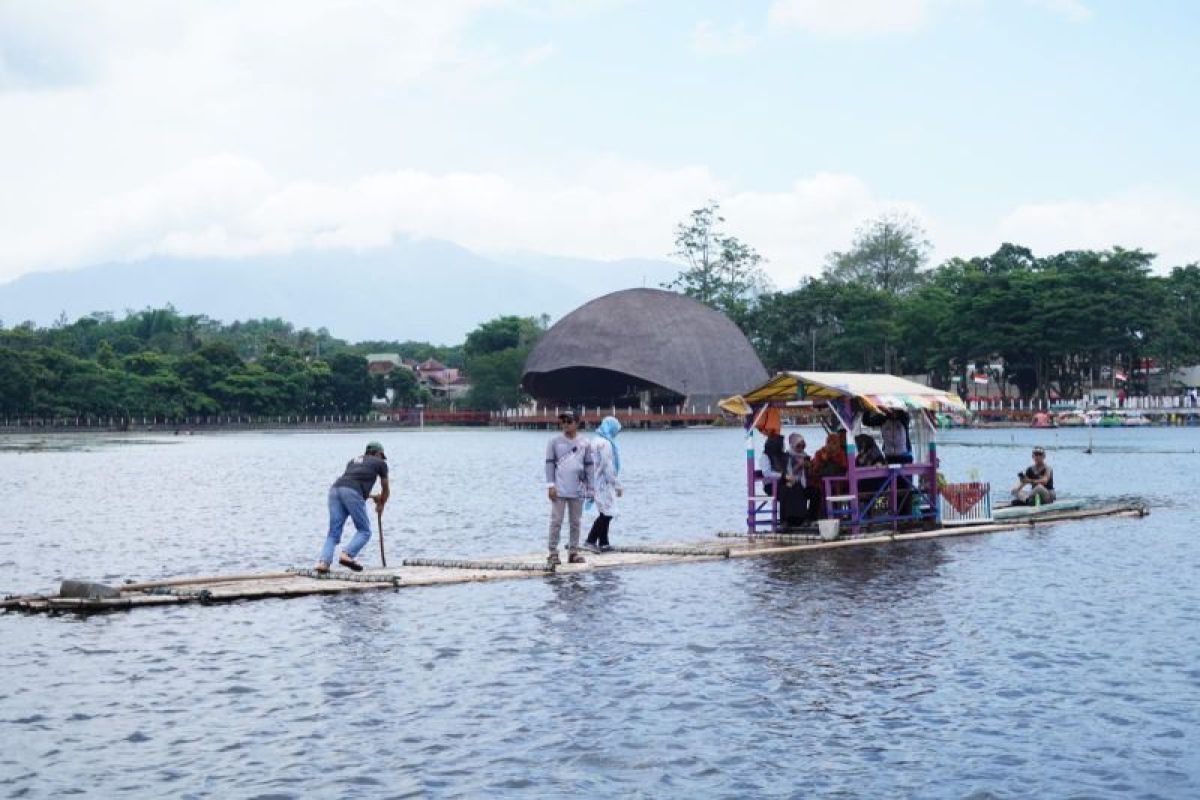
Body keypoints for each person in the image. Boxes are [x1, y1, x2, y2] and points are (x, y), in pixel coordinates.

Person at [316, 441, 389, 573]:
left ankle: (323, 562)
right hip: (351, 492)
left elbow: (352, 485)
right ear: (378, 453)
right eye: (381, 456)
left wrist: (374, 498)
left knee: (333, 532)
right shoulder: (381, 464)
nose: (382, 459)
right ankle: (347, 555)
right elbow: (386, 489)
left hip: (335, 490)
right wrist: (382, 504)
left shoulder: (353, 461)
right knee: (365, 531)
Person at [545, 410, 593, 566]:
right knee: (556, 521)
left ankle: (573, 552)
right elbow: (549, 464)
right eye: (563, 421)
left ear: (577, 423)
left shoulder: (585, 443)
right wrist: (550, 485)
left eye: (569, 421)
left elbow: (589, 466)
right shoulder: (554, 442)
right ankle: (553, 552)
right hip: (559, 489)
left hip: (578, 488)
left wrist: (591, 487)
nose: (565, 424)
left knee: (575, 522)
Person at [584, 416, 623, 553]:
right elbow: (607, 466)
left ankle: (604, 542)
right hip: (603, 483)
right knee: (608, 513)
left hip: (593, 481)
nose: (617, 433)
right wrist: (617, 485)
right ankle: (590, 540)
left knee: (604, 511)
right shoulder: (606, 444)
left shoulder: (594, 441)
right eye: (616, 430)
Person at [784, 432, 819, 526]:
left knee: (816, 491)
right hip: (792, 483)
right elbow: (788, 473)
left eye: (803, 446)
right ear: (793, 445)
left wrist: (810, 467)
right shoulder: (788, 456)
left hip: (804, 483)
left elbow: (809, 473)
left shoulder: (805, 456)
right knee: (797, 490)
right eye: (798, 446)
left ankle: (811, 518)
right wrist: (799, 465)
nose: (801, 449)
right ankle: (797, 520)